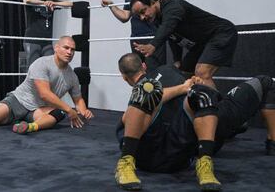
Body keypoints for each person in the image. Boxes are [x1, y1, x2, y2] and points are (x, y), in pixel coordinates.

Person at [114, 53, 275, 191]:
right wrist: (182, 88)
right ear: (143, 65)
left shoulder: (168, 73)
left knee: (202, 93)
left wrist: (193, 86)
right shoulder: (148, 86)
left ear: (123, 76)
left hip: (183, 144)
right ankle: (126, 162)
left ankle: (204, 161)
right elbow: (148, 96)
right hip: (149, 150)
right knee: (146, 90)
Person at [0, 36, 94, 134]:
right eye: (66, 48)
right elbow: (44, 94)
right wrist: (69, 109)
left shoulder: (72, 76)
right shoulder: (41, 63)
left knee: (58, 114)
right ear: (56, 48)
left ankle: (29, 127)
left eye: (72, 50)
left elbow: (78, 99)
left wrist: (83, 111)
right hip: (19, 101)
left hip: (39, 109)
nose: (69, 52)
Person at [129, 0, 238, 88]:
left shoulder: (173, 6)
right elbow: (172, 37)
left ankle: (215, 110)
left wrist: (152, 45)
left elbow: (168, 27)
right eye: (139, 15)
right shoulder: (157, 19)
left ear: (153, 2)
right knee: (183, 75)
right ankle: (194, 106)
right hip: (201, 43)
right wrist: (177, 60)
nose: (142, 17)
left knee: (202, 73)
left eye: (143, 11)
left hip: (221, 33)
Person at [101, 0, 183, 71]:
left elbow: (165, 2)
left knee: (154, 72)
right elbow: (125, 16)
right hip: (136, 38)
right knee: (137, 71)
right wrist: (111, 5)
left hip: (154, 37)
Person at [23, 0, 73, 69]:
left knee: (51, 67)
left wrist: (54, 3)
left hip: (46, 42)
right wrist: (44, 3)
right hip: (32, 40)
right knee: (34, 69)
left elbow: (70, 4)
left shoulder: (50, 1)